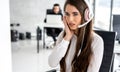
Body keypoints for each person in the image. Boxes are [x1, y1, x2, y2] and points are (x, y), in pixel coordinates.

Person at [48, 0, 104, 72]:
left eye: (75, 14)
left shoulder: (96, 41)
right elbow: (52, 63)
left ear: (86, 16)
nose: (70, 19)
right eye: (67, 14)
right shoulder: (63, 36)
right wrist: (67, 38)